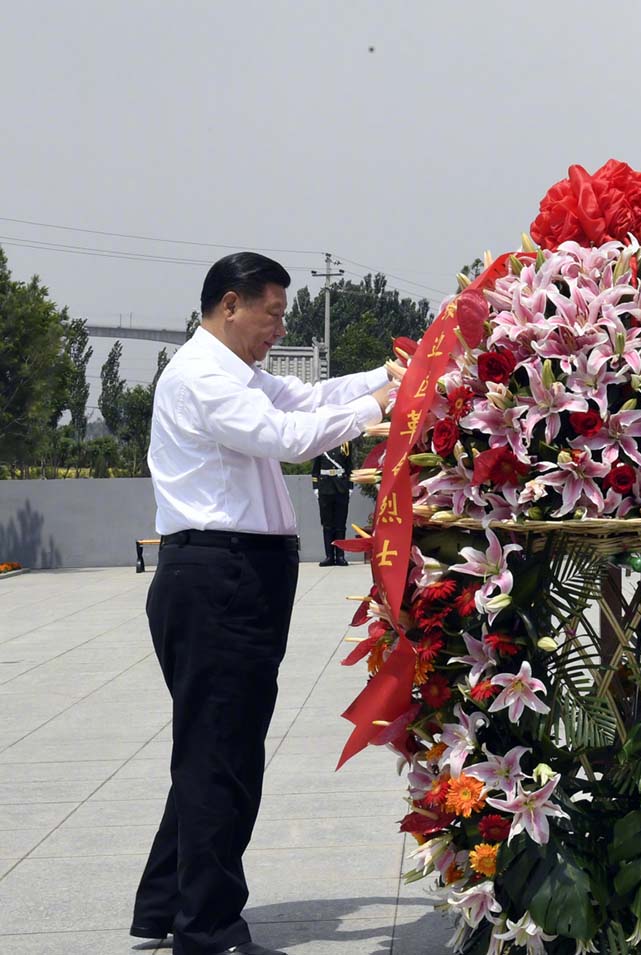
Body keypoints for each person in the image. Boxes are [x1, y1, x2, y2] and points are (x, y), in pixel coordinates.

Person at [130, 252, 396, 955]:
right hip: (218, 579)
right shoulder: (201, 377)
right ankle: (209, 928)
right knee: (223, 754)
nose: (278, 327)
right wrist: (377, 408)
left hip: (235, 576)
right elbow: (291, 437)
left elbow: (304, 399)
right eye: (271, 313)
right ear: (228, 305)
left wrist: (386, 378)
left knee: (210, 745)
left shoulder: (234, 374)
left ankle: (166, 902)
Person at [311, 441, 353, 566]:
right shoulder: (320, 445)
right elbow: (316, 468)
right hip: (325, 487)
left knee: (340, 523)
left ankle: (340, 556)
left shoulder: (345, 444)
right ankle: (329, 556)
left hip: (341, 487)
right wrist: (316, 487)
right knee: (327, 524)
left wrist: (350, 486)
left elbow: (349, 466)